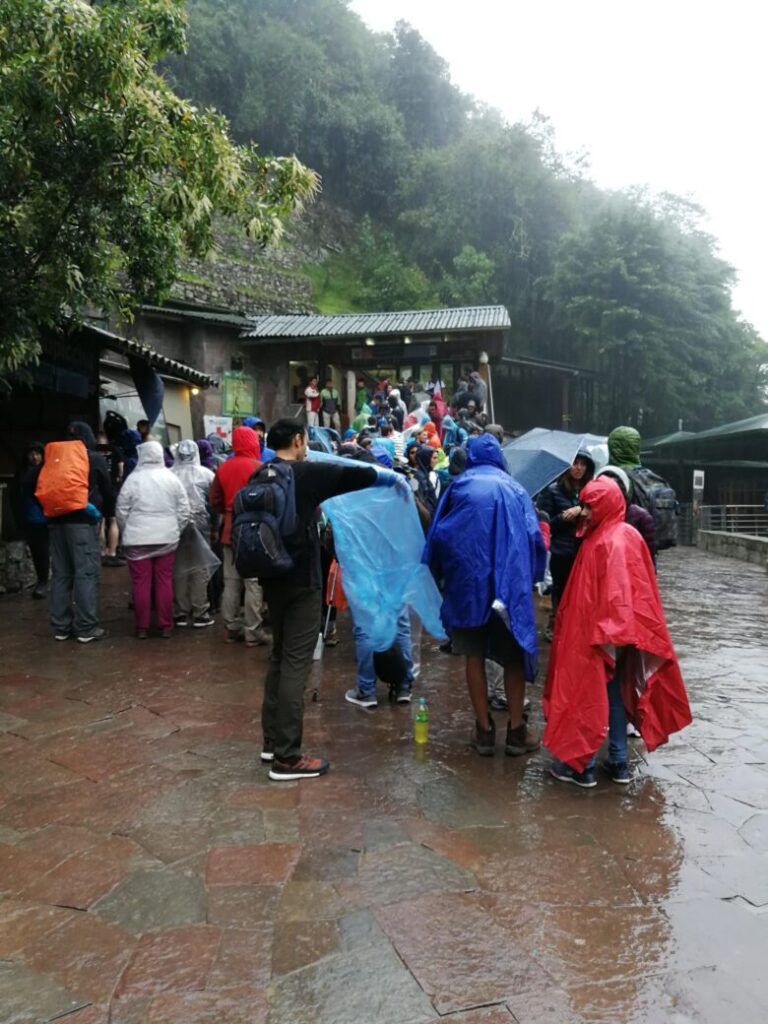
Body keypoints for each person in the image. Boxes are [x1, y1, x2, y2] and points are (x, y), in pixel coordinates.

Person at [259, 417, 402, 781]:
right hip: (301, 581)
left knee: (278, 656)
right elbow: (352, 476)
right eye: (305, 439)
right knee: (296, 662)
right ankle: (287, 758)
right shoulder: (303, 473)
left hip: (271, 579)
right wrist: (392, 478)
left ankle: (271, 742)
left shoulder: (260, 475)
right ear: (297, 439)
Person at [544, 477, 691, 787]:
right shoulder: (627, 535)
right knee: (614, 694)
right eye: (583, 505)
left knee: (590, 694)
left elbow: (600, 598)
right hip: (630, 634)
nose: (583, 512)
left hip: (603, 635)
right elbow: (642, 587)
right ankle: (619, 761)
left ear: (604, 506)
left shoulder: (600, 542)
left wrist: (600, 635)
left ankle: (581, 766)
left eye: (589, 506)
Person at [424, 434, 546, 756]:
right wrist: (529, 581)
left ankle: (483, 730)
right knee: (513, 657)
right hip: (509, 589)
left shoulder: (458, 487)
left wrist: (442, 574)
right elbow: (536, 540)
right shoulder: (517, 490)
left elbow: (438, 536)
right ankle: (517, 731)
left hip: (467, 590)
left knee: (473, 656)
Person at [45, 422, 113, 642]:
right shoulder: (93, 458)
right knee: (85, 574)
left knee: (61, 575)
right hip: (83, 524)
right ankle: (86, 628)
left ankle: (61, 628)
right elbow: (107, 490)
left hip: (56, 522)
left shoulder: (54, 458)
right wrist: (109, 516)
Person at [116, 441, 190, 638]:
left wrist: (128, 530)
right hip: (166, 538)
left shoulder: (132, 480)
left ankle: (142, 627)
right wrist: (176, 530)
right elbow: (184, 510)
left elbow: (121, 511)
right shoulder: (171, 479)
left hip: (137, 539)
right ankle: (166, 625)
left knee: (141, 582)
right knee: (164, 581)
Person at [209, 426, 268, 646]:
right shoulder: (260, 468)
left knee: (231, 582)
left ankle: (231, 628)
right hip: (254, 532)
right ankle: (253, 632)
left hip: (229, 532)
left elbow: (214, 498)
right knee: (253, 583)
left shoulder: (223, 467)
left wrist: (225, 511)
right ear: (253, 443)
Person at [536, 450, 595, 640]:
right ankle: (554, 626)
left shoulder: (592, 491)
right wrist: (563, 516)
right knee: (559, 590)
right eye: (575, 463)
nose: (578, 468)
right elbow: (546, 524)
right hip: (561, 550)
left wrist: (583, 509)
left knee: (581, 593)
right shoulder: (553, 490)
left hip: (584, 549)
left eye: (582, 464)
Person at [171, 439, 216, 627]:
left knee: (179, 567)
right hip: (201, 525)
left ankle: (181, 611)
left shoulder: (170, 475)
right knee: (200, 567)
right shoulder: (207, 474)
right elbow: (214, 503)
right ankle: (200, 611)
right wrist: (215, 526)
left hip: (176, 526)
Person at [13, 443, 49, 598]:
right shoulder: (21, 472)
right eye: (31, 454)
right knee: (36, 551)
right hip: (28, 517)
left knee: (42, 550)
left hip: (43, 518)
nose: (35, 457)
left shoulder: (46, 471)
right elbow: (14, 496)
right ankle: (41, 580)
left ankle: (43, 581)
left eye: (38, 453)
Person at [95, 430, 124, 567]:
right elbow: (121, 470)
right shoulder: (115, 450)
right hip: (111, 490)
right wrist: (116, 480)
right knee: (113, 520)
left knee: (99, 520)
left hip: (97, 491)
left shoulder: (93, 451)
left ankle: (102, 552)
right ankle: (112, 553)